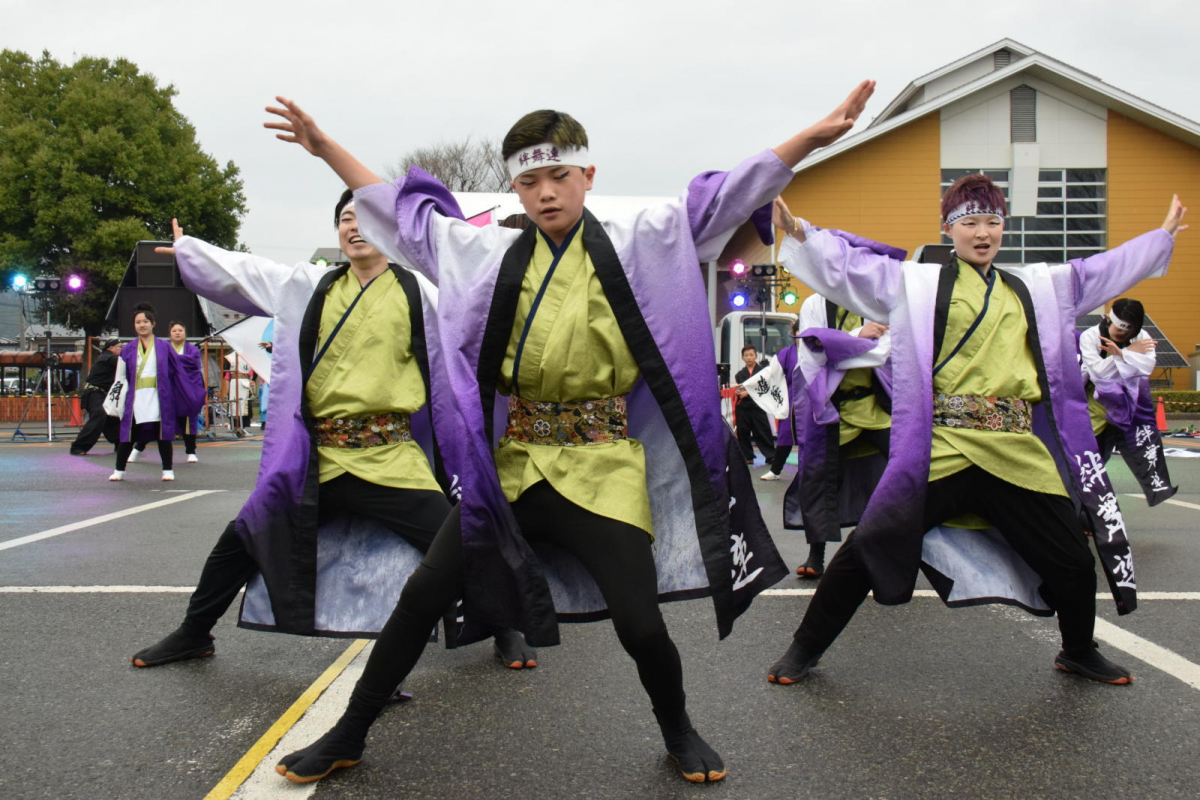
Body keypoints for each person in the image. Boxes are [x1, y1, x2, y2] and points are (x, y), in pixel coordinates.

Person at [257, 83, 874, 785]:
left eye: (559, 175)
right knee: (425, 592)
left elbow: (723, 197)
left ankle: (678, 728)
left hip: (603, 464)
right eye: (529, 180)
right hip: (517, 464)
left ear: (588, 176)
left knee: (641, 626)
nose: (546, 192)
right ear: (514, 186)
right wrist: (325, 148)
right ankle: (349, 732)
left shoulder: (644, 242)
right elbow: (403, 213)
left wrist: (807, 142)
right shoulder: (483, 252)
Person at [766, 179, 1187, 687]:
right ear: (948, 229)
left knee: (1074, 560)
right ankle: (802, 650)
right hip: (943, 448)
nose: (982, 233)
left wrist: (1158, 239)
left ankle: (1078, 649)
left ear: (1003, 228)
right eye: (969, 223)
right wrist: (803, 235)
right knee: (870, 543)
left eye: (992, 222)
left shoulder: (1034, 286)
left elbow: (1098, 271)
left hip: (1015, 450)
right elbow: (853, 269)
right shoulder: (916, 284)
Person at [130, 196, 534, 671]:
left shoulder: (422, 293)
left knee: (460, 540)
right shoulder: (309, 286)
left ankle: (506, 628)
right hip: (318, 460)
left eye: (366, 220)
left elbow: (475, 318)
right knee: (242, 537)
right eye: (346, 219)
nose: (355, 227)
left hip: (390, 455)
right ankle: (193, 633)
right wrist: (192, 252)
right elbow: (250, 272)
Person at [783, 291, 893, 578]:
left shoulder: (876, 298)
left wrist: (842, 346)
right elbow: (815, 354)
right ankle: (816, 554)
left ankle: (892, 545)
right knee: (823, 480)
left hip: (874, 407)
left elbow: (884, 351)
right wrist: (861, 336)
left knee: (906, 471)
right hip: (832, 410)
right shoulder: (814, 304)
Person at [1079, 298, 1178, 505]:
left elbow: (1147, 366)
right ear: (1108, 319)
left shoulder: (1142, 336)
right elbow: (1098, 373)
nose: (1123, 335)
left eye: (1128, 332)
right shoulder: (1090, 336)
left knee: (1144, 451)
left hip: (1131, 406)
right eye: (1119, 330)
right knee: (1092, 460)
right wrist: (1128, 354)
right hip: (1096, 406)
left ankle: (1158, 489)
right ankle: (1084, 512)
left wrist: (1119, 354)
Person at [110, 303, 205, 482]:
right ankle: (119, 470)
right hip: (135, 397)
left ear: (153, 324)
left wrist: (189, 392)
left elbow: (178, 372)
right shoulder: (128, 349)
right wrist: (118, 397)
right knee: (128, 435)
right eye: (138, 322)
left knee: (163, 434)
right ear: (134, 325)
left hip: (159, 395)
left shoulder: (164, 346)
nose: (142, 325)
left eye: (145, 321)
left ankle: (167, 469)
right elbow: (120, 377)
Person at [130, 321, 204, 463]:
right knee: (155, 419)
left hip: (185, 390)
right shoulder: (163, 348)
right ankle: (137, 449)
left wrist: (173, 359)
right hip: (166, 389)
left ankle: (191, 451)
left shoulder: (192, 350)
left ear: (185, 333)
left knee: (187, 419)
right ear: (169, 334)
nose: (177, 333)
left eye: (180, 330)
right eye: (174, 330)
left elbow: (193, 364)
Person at [69, 338, 123, 456]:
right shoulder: (106, 357)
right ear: (110, 348)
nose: (122, 349)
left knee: (113, 417)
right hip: (94, 393)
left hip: (104, 394)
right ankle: (78, 447)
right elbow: (120, 361)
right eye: (120, 347)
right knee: (99, 415)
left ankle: (122, 446)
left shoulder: (112, 359)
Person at [732, 344, 777, 465]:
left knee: (763, 431)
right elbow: (741, 390)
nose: (749, 357)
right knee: (743, 431)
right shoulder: (740, 374)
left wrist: (748, 393)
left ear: (756, 356)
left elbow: (765, 389)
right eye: (746, 355)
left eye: (751, 355)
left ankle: (770, 455)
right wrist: (739, 392)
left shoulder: (763, 372)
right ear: (742, 358)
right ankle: (747, 456)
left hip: (759, 406)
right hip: (743, 406)